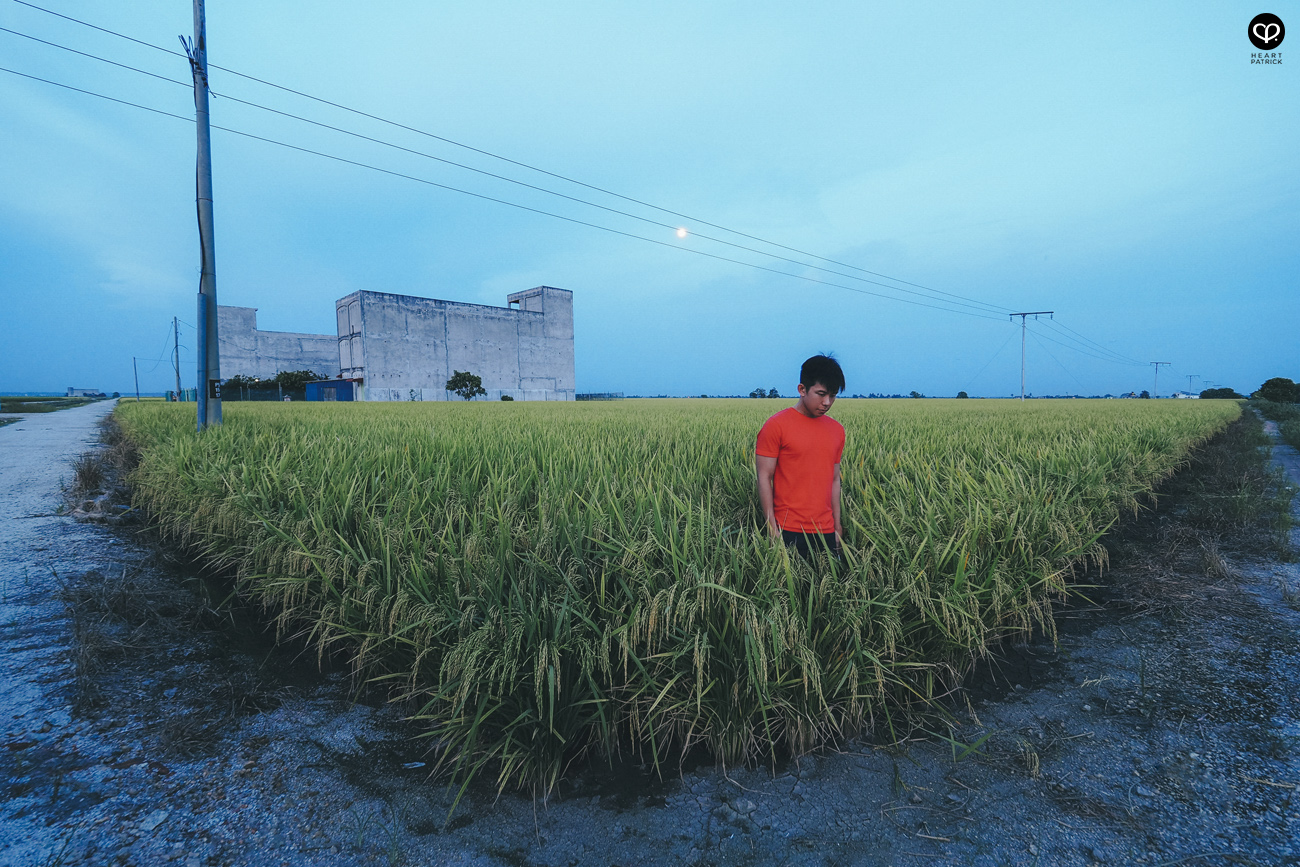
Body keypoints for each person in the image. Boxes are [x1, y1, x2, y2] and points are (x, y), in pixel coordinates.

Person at [755, 355, 846, 558]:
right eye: (821, 394)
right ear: (802, 389)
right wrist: (772, 529)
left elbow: (834, 480)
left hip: (826, 530)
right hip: (788, 529)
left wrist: (837, 527)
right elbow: (764, 477)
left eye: (832, 396)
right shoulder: (776, 426)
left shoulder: (837, 430)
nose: (827, 402)